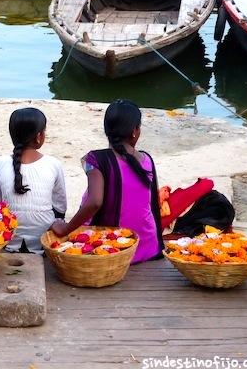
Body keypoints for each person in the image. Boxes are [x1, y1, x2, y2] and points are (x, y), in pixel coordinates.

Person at [51, 99, 163, 264]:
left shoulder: (96, 159)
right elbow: (151, 203)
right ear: (135, 131)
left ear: (107, 130)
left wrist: (65, 229)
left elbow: (94, 202)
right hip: (147, 245)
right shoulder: (147, 160)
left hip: (109, 247)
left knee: (54, 226)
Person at [0, 108, 66, 254]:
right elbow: (60, 207)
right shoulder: (53, 164)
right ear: (39, 136)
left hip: (9, 242)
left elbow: (0, 205)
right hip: (44, 243)